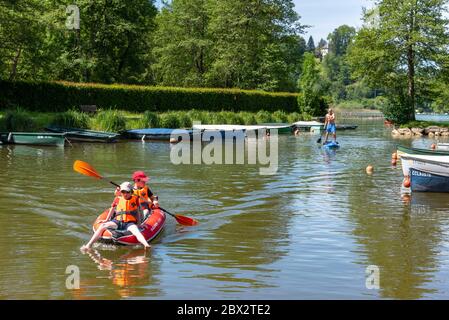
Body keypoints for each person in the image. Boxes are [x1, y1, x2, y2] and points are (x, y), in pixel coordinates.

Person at [81, 182, 151, 251]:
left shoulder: (135, 199)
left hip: (129, 223)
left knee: (136, 230)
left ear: (131, 192)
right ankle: (88, 245)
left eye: (127, 192)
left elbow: (138, 212)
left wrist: (139, 223)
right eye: (123, 192)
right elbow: (112, 210)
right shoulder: (117, 199)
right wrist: (106, 220)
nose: (125, 194)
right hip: (117, 221)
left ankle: (146, 245)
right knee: (103, 225)